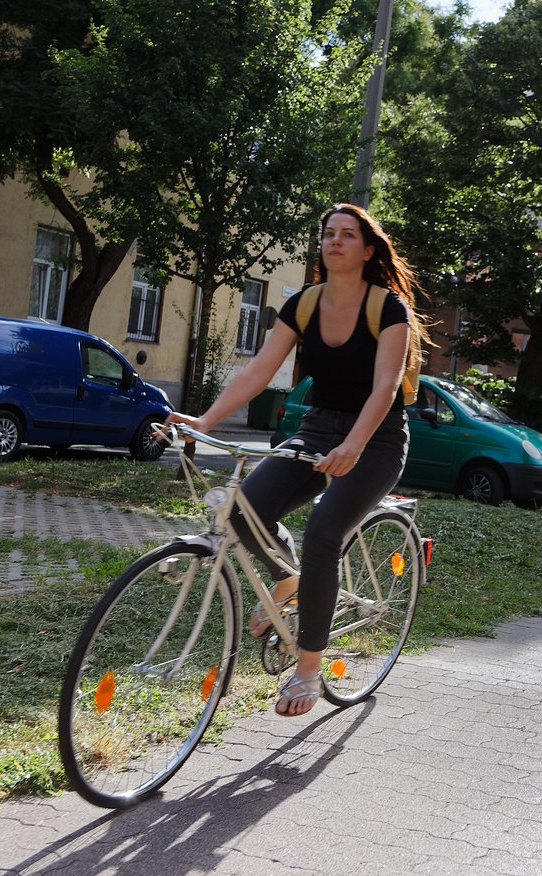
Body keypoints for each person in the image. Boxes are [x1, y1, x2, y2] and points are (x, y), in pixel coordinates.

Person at [164, 204, 426, 718]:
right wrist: (207, 420)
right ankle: (292, 582)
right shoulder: (304, 304)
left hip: (375, 441)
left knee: (325, 532)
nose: (335, 241)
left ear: (368, 249)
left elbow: (386, 386)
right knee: (240, 510)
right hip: (316, 428)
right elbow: (260, 370)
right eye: (328, 233)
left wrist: (353, 445)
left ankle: (308, 668)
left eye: (348, 235)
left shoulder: (387, 308)